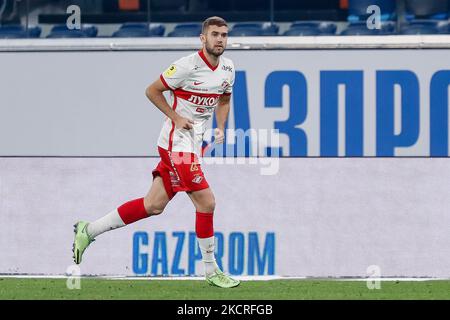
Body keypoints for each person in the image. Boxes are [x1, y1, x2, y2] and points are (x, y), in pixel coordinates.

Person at [72, 16, 240, 288]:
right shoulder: (187, 66)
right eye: (215, 34)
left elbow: (225, 99)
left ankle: (88, 230)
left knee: (153, 205)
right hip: (176, 144)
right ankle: (211, 271)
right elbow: (152, 91)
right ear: (203, 38)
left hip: (192, 144)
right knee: (207, 202)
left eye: (224, 34)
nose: (220, 39)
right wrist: (175, 117)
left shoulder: (229, 68)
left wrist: (220, 127)